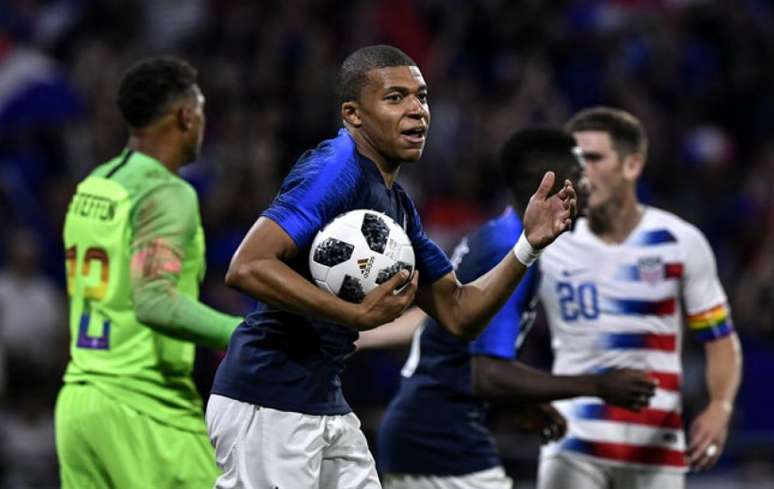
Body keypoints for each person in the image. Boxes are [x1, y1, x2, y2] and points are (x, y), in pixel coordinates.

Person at [206, 45, 576, 489]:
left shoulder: (397, 206)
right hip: (266, 400)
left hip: (322, 399)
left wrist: (528, 245)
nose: (417, 111)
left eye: (421, 97)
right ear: (353, 113)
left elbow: (459, 312)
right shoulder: (336, 168)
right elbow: (247, 265)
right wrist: (352, 316)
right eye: (396, 97)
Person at [364, 128, 657, 489]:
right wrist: (599, 384)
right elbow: (484, 372)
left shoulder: (496, 234)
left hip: (430, 432)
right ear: (544, 182)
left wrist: (522, 400)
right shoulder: (509, 249)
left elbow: (446, 335)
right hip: (440, 439)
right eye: (579, 176)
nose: (588, 187)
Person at [55, 57, 242, 489]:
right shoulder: (166, 192)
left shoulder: (94, 185)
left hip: (79, 406)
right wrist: (246, 332)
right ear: (186, 115)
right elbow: (154, 299)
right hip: (144, 408)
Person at [536, 107, 743, 489]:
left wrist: (719, 407)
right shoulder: (547, 245)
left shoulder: (680, 242)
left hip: (655, 452)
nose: (580, 170)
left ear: (632, 165)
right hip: (573, 445)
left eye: (594, 158)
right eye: (574, 160)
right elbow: (483, 320)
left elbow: (719, 338)